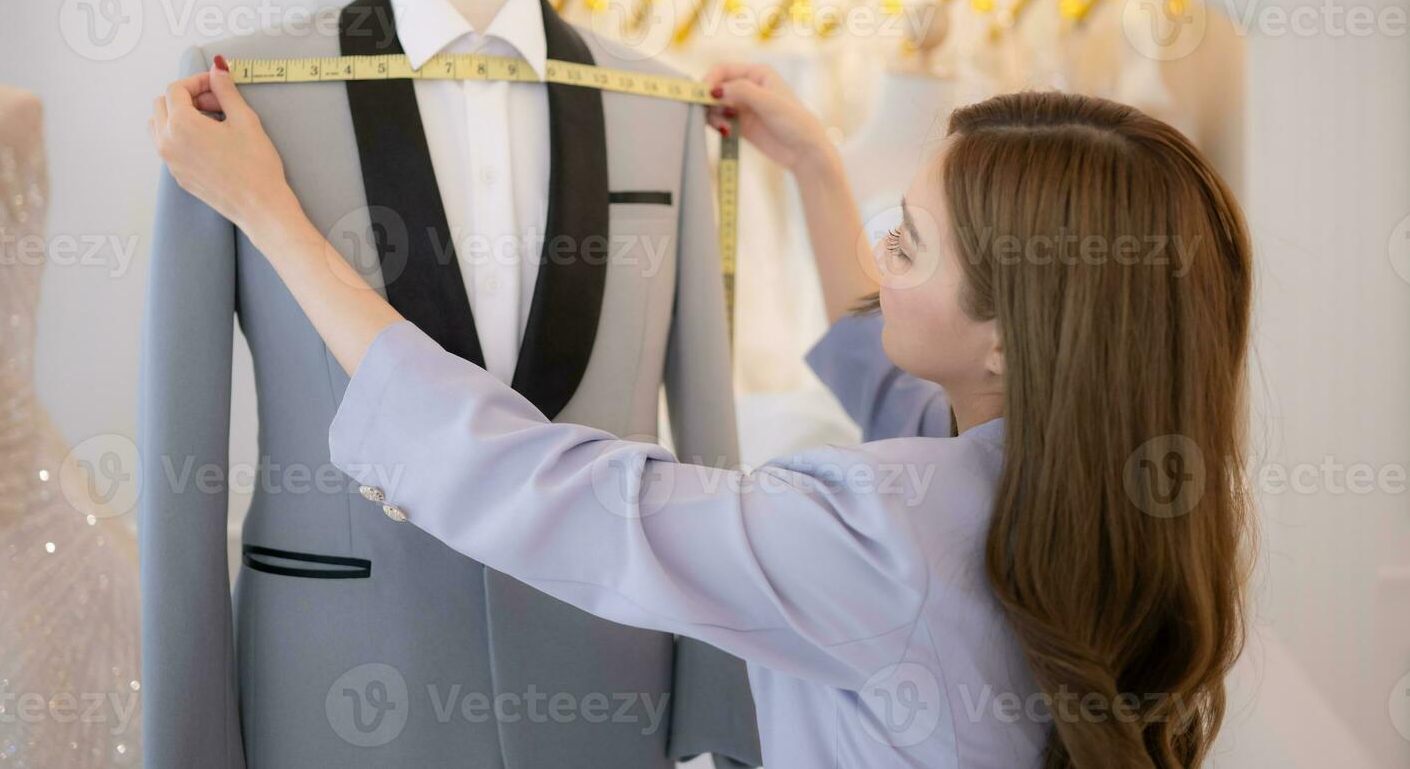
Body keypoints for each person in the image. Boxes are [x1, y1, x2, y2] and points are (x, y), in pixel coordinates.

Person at [148, 58, 1254, 769]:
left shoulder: (877, 535)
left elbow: (555, 489)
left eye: (907, 243)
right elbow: (902, 393)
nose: (881, 258)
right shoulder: (1096, 483)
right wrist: (815, 166)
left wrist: (269, 212)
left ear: (1014, 339)